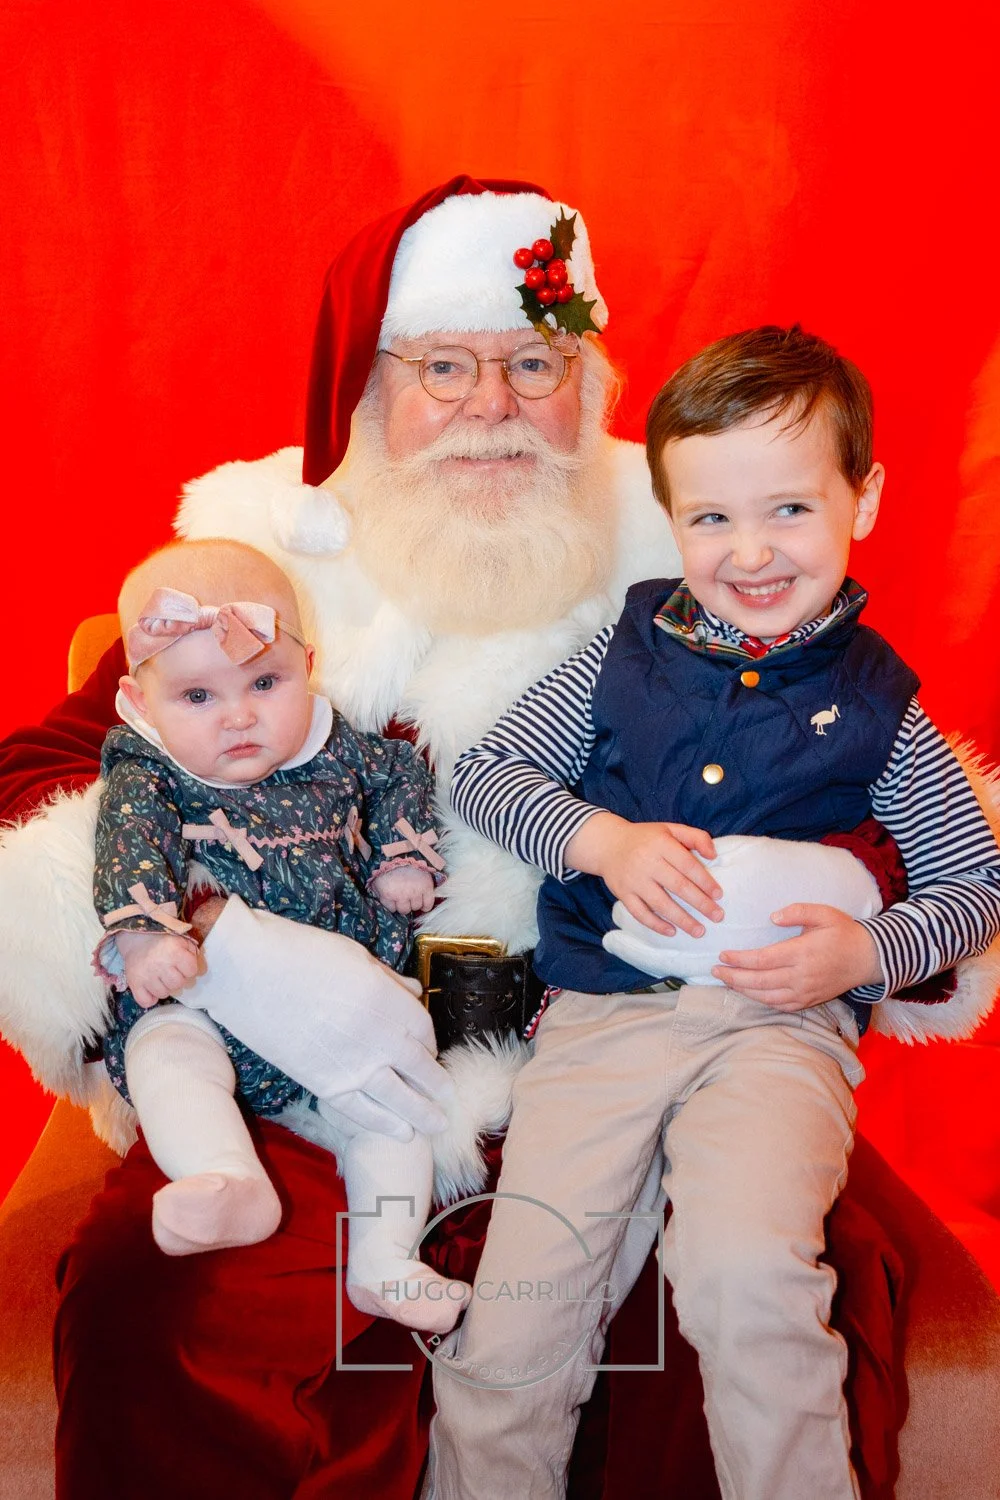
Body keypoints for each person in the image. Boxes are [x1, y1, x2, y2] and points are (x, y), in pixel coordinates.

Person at [0, 178, 991, 1498]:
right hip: (312, 1076)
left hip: (650, 1038)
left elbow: (910, 827)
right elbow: (59, 775)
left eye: (535, 363)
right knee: (172, 1310)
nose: (493, 405)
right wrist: (218, 933)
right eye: (447, 366)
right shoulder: (260, 561)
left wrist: (849, 929)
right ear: (369, 395)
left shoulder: (700, 558)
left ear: (587, 387)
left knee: (748, 1312)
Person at [426, 325, 1000, 1500]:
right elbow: (486, 775)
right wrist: (603, 837)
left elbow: (973, 889)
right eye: (711, 518)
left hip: (775, 1038)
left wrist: (865, 951)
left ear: (866, 498)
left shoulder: (882, 706)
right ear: (670, 515)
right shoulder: (616, 658)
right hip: (597, 1027)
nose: (749, 552)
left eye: (789, 510)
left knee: (748, 1274)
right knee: (522, 1310)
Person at [93, 536, 469, 1329]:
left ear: (309, 666)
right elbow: (127, 845)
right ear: (139, 705)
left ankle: (384, 1259)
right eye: (197, 698)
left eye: (265, 681)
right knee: (164, 1057)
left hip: (344, 1002)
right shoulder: (148, 773)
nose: (239, 717)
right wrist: (145, 940)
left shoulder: (343, 749)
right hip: (202, 1002)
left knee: (397, 1120)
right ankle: (228, 1178)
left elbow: (403, 773)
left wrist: (403, 855)